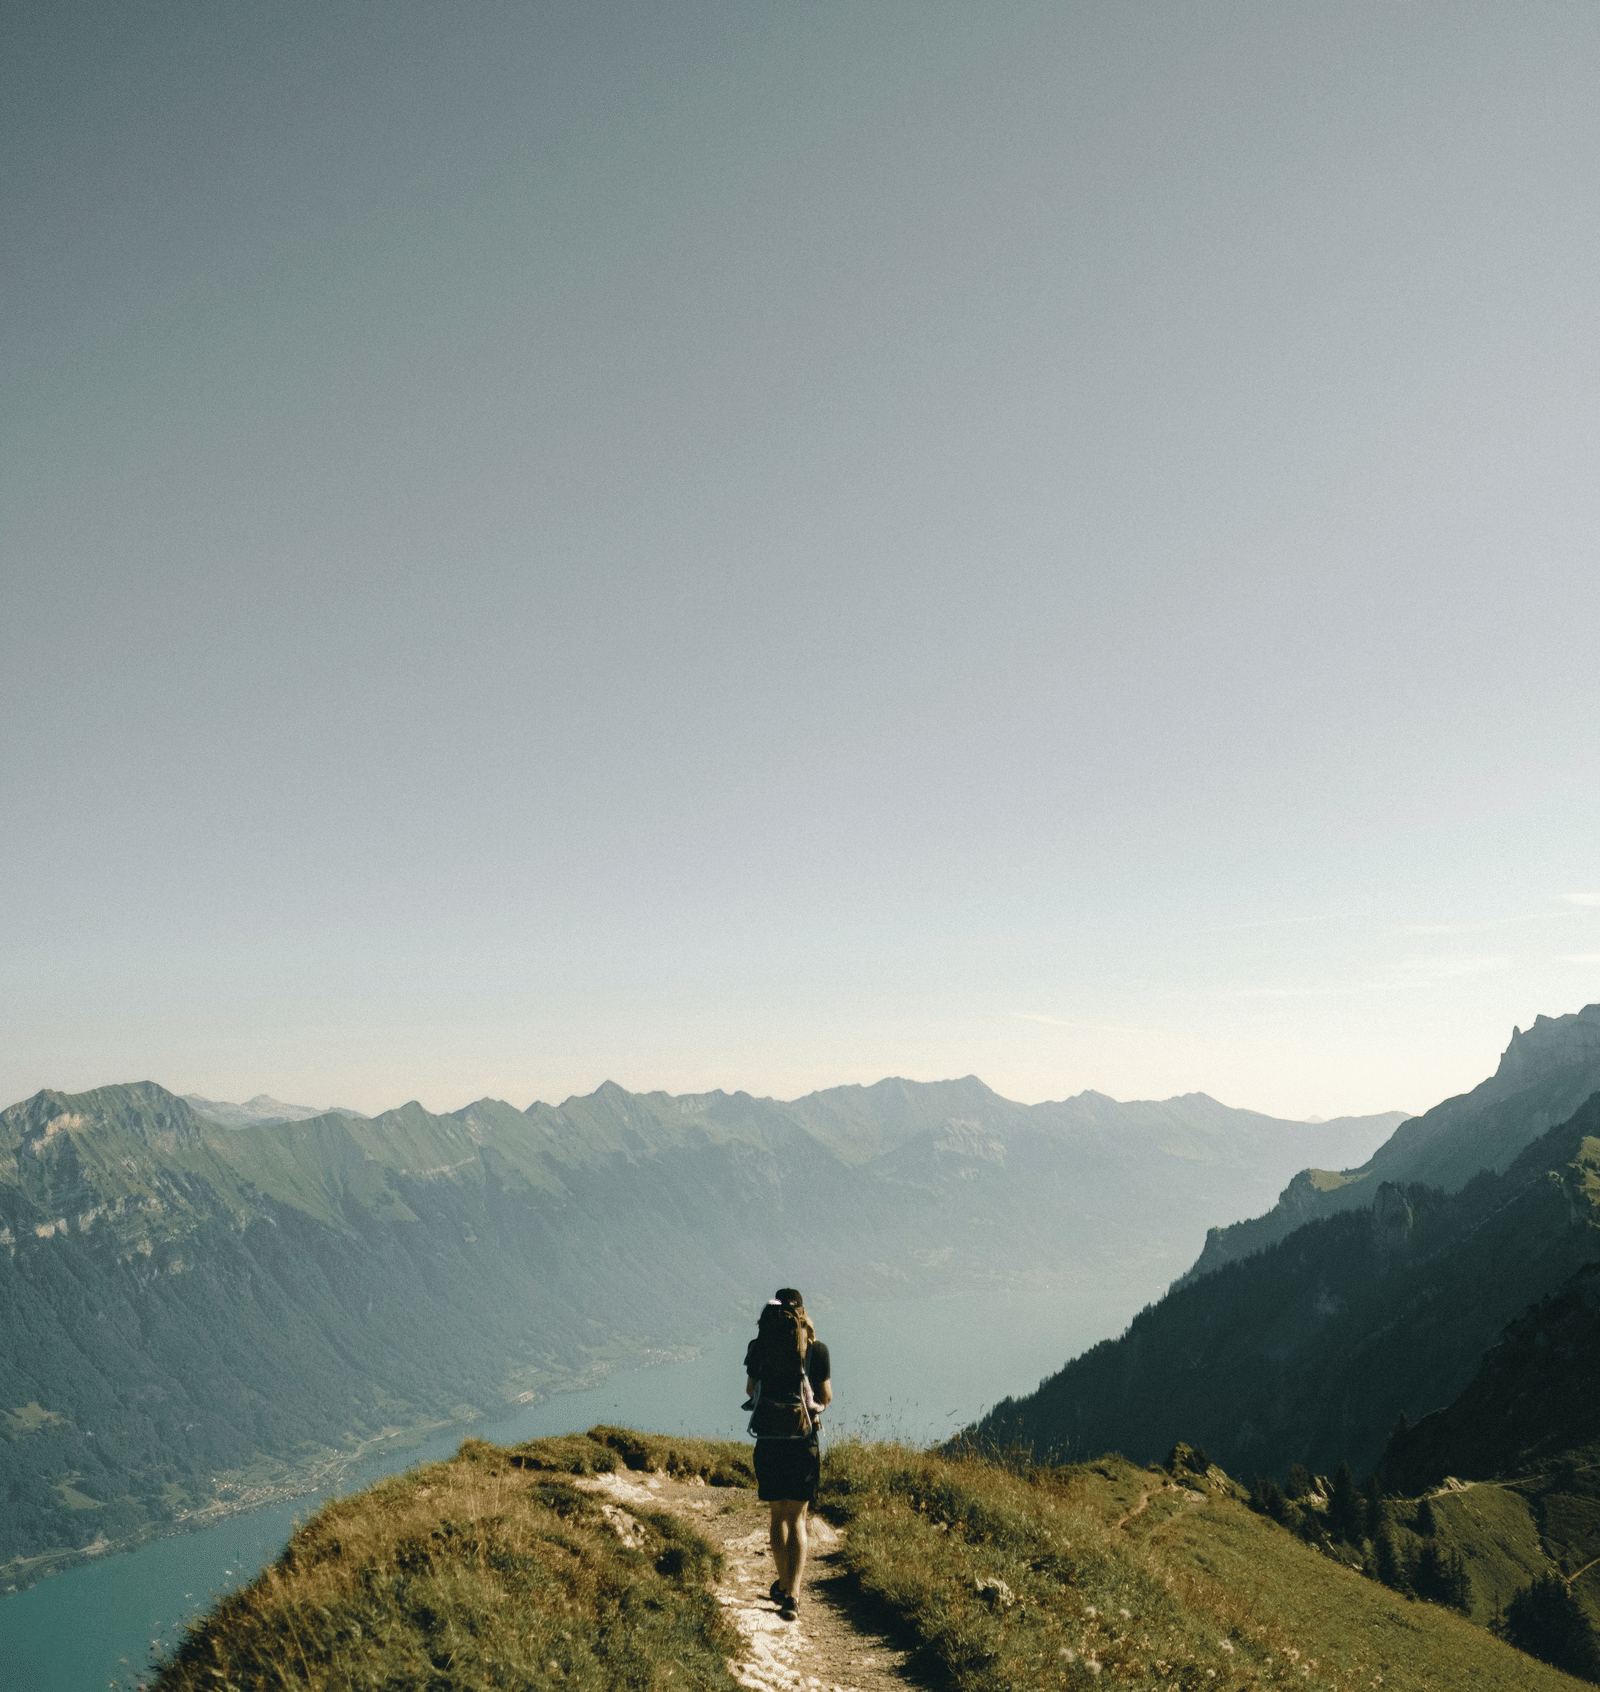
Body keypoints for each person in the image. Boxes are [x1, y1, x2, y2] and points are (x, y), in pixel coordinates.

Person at [743, 1287, 832, 1621]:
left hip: (768, 1440)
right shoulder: (816, 1350)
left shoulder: (758, 1346)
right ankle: (792, 1595)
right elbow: (825, 1395)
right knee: (798, 1518)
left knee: (777, 1515)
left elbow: (751, 1390)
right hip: (802, 1441)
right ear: (802, 1313)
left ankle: (782, 1584)